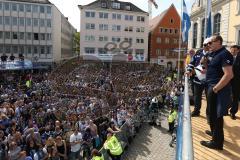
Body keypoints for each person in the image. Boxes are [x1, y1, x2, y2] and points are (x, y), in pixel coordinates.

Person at [200, 35, 233, 150]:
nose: (208, 45)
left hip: (217, 88)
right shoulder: (214, 54)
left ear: (218, 42)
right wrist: (204, 63)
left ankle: (217, 142)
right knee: (211, 112)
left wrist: (216, 88)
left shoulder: (224, 54)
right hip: (211, 85)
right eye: (207, 44)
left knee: (216, 115)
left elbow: (229, 74)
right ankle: (215, 133)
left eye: (210, 43)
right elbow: (210, 69)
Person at [186, 38, 211, 117]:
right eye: (204, 45)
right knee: (197, 97)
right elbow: (192, 63)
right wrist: (189, 70)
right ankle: (196, 111)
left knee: (209, 99)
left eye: (208, 44)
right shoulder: (198, 53)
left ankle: (209, 115)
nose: (206, 46)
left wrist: (207, 69)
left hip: (208, 81)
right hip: (197, 79)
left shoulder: (213, 54)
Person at [229, 45, 240, 120]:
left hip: (236, 82)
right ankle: (225, 109)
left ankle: (233, 112)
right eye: (232, 50)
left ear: (238, 50)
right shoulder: (227, 57)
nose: (233, 52)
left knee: (235, 97)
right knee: (227, 96)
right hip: (227, 81)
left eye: (234, 50)